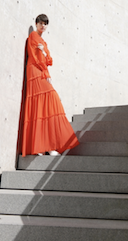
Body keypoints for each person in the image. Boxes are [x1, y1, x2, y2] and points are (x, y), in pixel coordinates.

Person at [17, 14, 80, 156]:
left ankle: (47, 146)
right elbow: (36, 58)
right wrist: (45, 71)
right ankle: (42, 146)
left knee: (45, 108)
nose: (42, 26)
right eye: (40, 23)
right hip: (35, 71)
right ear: (36, 23)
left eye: (45, 24)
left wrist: (44, 52)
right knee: (46, 103)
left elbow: (49, 60)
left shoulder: (43, 42)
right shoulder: (33, 36)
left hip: (42, 72)